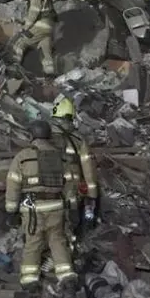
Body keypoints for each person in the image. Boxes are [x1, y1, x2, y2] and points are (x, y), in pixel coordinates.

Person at [5, 119, 79, 290]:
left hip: (33, 209)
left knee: (33, 243)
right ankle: (67, 275)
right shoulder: (61, 157)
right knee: (58, 240)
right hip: (56, 207)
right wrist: (73, 207)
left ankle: (30, 280)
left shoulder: (22, 157)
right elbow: (70, 185)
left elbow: (13, 184)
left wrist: (11, 211)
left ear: (31, 135)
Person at [51, 96, 98, 232]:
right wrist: (92, 196)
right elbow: (89, 170)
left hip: (46, 188)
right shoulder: (78, 139)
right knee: (71, 223)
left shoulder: (43, 137)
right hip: (71, 189)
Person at [12, 0, 58, 75]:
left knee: (21, 42)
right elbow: (42, 14)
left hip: (41, 26)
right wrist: (21, 21)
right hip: (50, 28)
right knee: (45, 51)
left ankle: (14, 67)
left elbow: (33, 15)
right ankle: (50, 74)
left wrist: (25, 28)